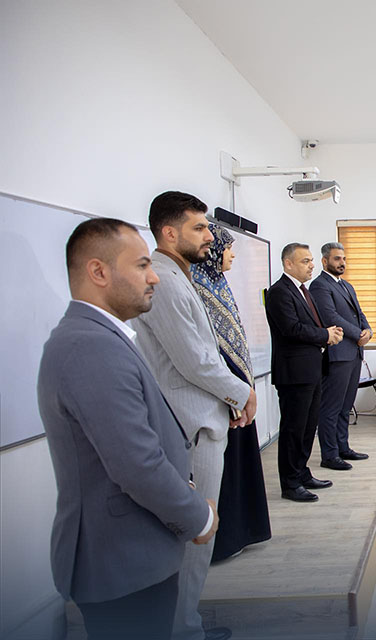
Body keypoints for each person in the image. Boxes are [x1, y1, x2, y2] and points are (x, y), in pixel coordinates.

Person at [39, 218, 216, 640]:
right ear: (98, 272)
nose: (154, 276)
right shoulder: (90, 346)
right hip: (122, 559)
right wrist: (199, 517)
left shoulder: (101, 336)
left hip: (132, 554)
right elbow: (137, 464)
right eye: (141, 265)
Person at [131, 192, 256, 640]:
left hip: (202, 417)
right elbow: (194, 360)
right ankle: (182, 628)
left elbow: (204, 352)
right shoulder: (163, 280)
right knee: (194, 531)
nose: (209, 236)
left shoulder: (179, 275)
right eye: (199, 227)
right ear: (169, 232)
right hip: (190, 424)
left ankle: (185, 623)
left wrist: (232, 398)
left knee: (198, 531)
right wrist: (242, 393)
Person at [190, 223, 271, 562]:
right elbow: (204, 354)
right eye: (227, 248)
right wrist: (236, 392)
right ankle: (224, 538)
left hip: (238, 388)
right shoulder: (196, 288)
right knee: (220, 470)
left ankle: (244, 531)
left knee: (240, 463)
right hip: (220, 393)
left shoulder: (217, 284)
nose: (232, 255)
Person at [265, 243, 343, 502]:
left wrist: (329, 334)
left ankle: (302, 473)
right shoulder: (279, 292)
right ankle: (290, 483)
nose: (311, 265)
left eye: (311, 260)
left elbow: (310, 325)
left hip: (312, 370)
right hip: (294, 373)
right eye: (305, 261)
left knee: (309, 428)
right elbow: (292, 329)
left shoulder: (303, 291)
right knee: (293, 430)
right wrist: (325, 335)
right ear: (288, 264)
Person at [309, 241, 370, 471]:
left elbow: (359, 314)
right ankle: (329, 455)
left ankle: (343, 447)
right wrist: (358, 335)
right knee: (331, 407)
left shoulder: (347, 286)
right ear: (325, 261)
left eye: (344, 259)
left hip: (353, 353)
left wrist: (367, 330)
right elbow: (330, 316)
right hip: (337, 354)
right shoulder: (319, 285)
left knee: (346, 406)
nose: (342, 263)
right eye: (337, 259)